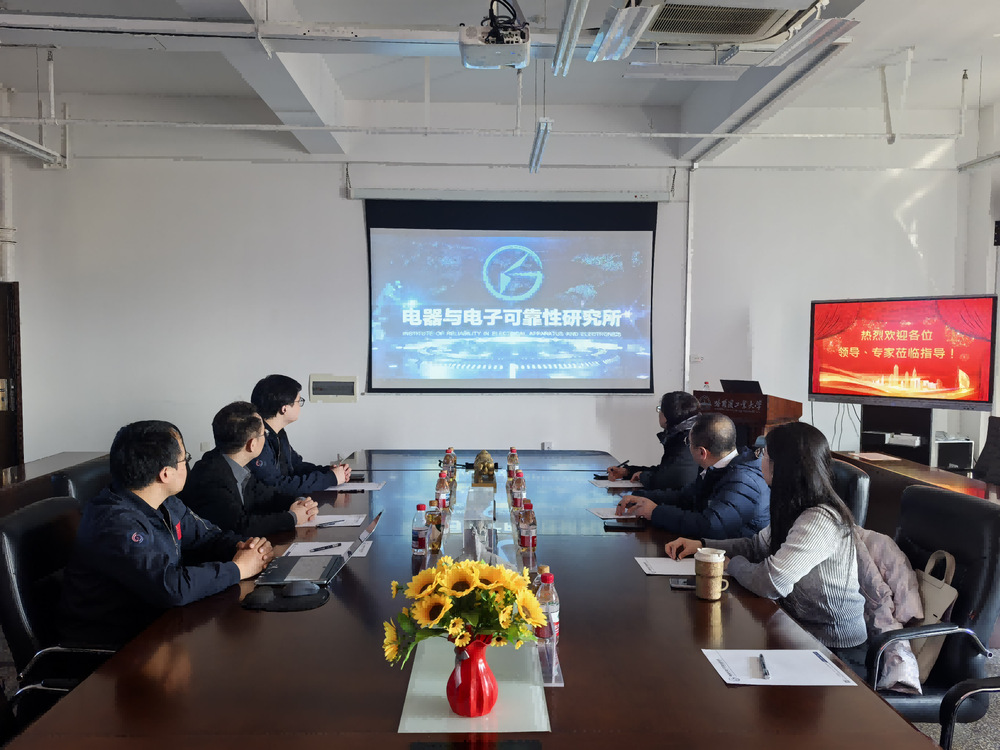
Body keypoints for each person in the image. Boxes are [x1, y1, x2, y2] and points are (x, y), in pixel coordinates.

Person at [61, 420, 273, 647]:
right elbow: (170, 587)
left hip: (159, 626)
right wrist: (237, 569)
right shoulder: (115, 524)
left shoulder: (166, 503)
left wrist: (247, 548)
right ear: (165, 474)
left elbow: (207, 537)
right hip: (114, 648)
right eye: (185, 459)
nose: (187, 465)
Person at [664, 421, 866, 650]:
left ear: (782, 466)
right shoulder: (793, 507)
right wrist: (703, 545)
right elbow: (755, 546)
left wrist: (729, 565)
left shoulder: (819, 520)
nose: (760, 460)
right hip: (794, 627)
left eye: (764, 454)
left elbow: (772, 582)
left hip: (833, 646)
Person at [615, 413, 769, 538]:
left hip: (736, 559)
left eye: (688, 443)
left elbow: (710, 526)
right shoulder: (719, 468)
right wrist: (642, 498)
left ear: (702, 452)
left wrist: (655, 512)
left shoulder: (743, 480)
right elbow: (685, 497)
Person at [181, 401, 319, 537]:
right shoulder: (210, 477)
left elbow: (267, 496)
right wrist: (292, 517)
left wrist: (298, 502)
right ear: (252, 444)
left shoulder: (236, 465)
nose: (266, 437)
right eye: (264, 433)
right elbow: (241, 526)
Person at [249, 374, 348, 494]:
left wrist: (328, 472)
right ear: (284, 408)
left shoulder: (279, 433)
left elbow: (296, 466)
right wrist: (330, 479)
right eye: (298, 401)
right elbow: (277, 487)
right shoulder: (258, 440)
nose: (300, 406)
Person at [607, 391, 700, 491]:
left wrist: (643, 476)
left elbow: (671, 480)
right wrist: (627, 471)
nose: (659, 413)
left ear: (668, 415)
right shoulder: (681, 435)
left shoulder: (686, 441)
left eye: (660, 409)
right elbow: (665, 470)